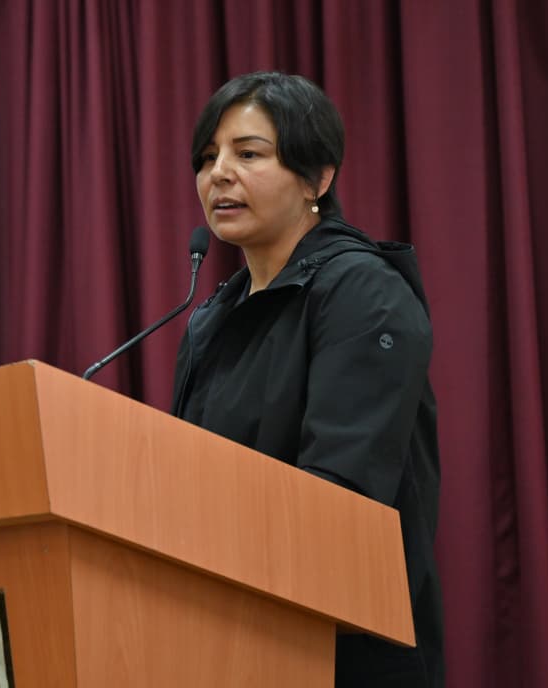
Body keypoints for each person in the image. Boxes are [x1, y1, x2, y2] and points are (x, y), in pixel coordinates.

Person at [171, 71, 444, 687]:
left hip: (344, 654)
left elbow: (340, 497)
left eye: (248, 154)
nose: (219, 174)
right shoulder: (214, 317)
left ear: (318, 178)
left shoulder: (362, 292)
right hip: (224, 642)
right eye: (208, 158)